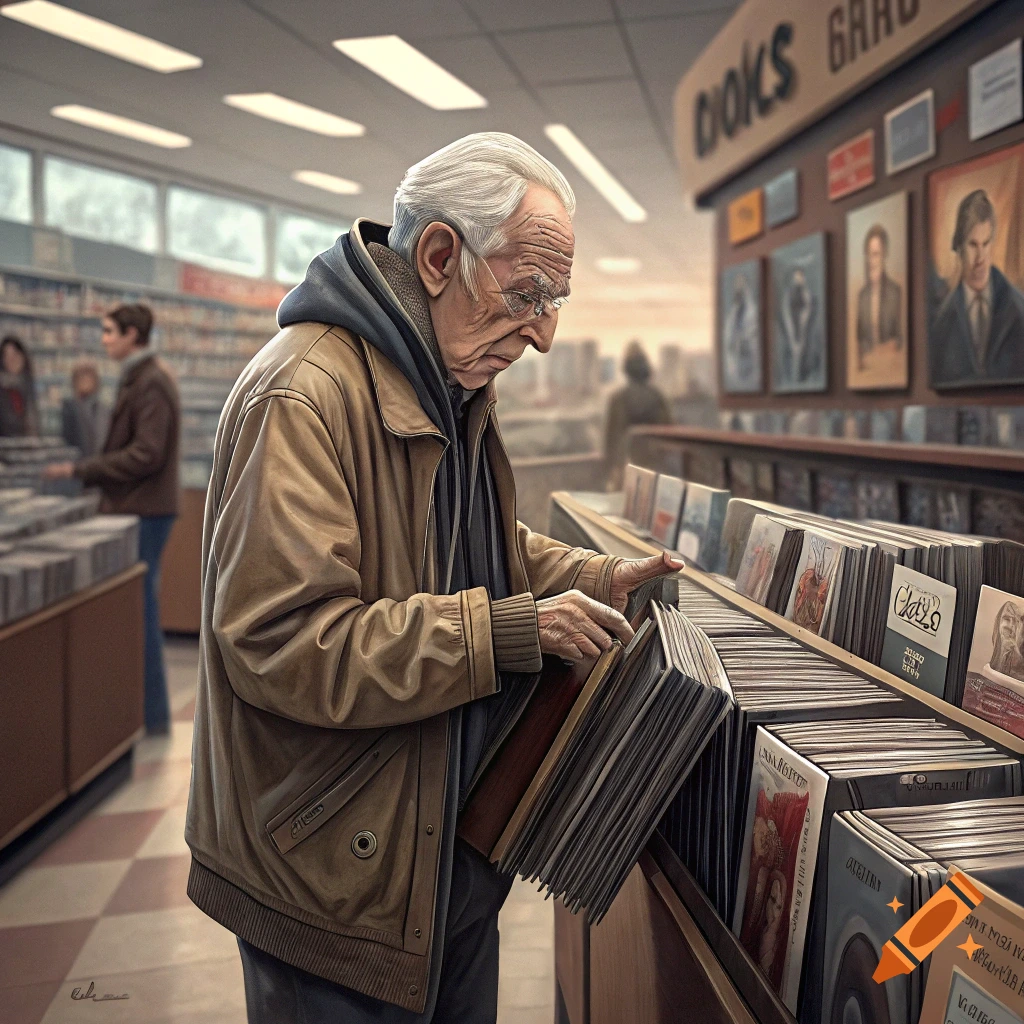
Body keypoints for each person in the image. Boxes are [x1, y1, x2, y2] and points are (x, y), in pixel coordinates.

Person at [184, 132, 682, 1024]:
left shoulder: (440, 379)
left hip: (434, 854)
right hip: (332, 878)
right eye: (527, 294)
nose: (543, 333)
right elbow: (284, 640)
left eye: (555, 300)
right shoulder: (302, 394)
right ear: (441, 256)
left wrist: (597, 579)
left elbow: (466, 549)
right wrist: (509, 630)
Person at [44, 304, 180, 734]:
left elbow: (147, 453)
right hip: (139, 507)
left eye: (108, 331)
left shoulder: (151, 382)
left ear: (131, 335)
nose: (103, 339)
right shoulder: (141, 378)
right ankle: (143, 716)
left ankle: (152, 717)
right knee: (137, 610)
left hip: (143, 509)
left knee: (141, 611)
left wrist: (85, 469)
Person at [930, 189, 1024, 387]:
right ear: (959, 247)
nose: (980, 259)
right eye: (973, 245)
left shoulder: (1018, 310)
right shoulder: (941, 322)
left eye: (986, 243)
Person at [603, 341, 671, 490]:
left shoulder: (618, 398)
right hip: (655, 469)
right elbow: (669, 431)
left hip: (627, 467)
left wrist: (612, 468)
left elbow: (611, 439)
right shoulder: (657, 397)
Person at [855, 224, 902, 370]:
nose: (871, 261)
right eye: (868, 255)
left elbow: (900, 340)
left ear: (884, 255)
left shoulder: (895, 292)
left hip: (889, 367)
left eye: (875, 254)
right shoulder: (862, 297)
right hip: (868, 370)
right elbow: (859, 341)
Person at [61, 359, 108, 458]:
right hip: (78, 463)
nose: (85, 382)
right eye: (81, 378)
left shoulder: (103, 409)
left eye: (89, 378)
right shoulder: (70, 408)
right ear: (75, 382)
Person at [0, 334, 40, 437]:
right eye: (6, 356)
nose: (11, 360)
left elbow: (33, 420)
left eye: (15, 355)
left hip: (27, 446)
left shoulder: (27, 385)